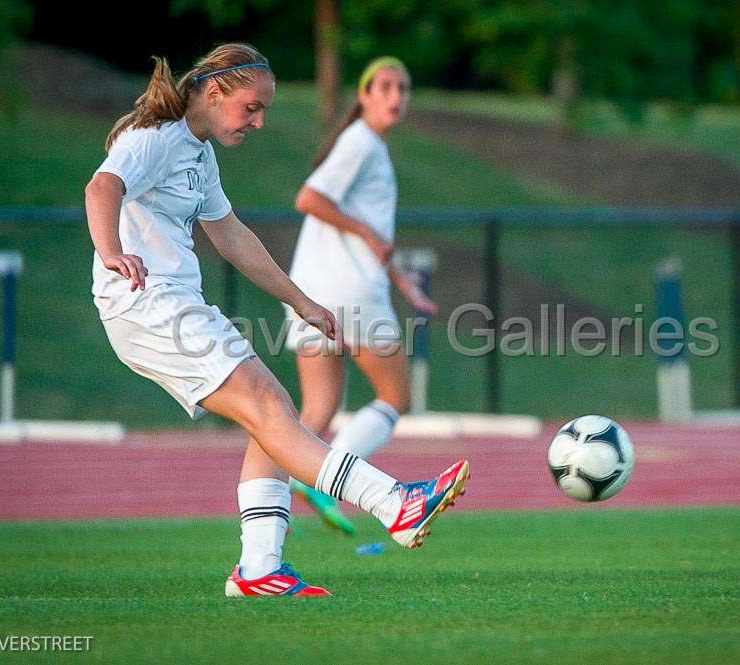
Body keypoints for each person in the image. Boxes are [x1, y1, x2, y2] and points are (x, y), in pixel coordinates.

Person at [84, 44, 468, 598]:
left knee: (274, 417)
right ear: (214, 93)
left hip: (172, 302)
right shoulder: (153, 136)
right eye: (252, 108)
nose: (259, 121)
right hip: (146, 304)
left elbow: (233, 238)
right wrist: (112, 250)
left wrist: (303, 301)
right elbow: (102, 187)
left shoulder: (198, 154)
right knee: (270, 409)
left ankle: (260, 569)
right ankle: (394, 503)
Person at [283, 57, 437, 535]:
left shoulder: (364, 144)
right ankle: (324, 480)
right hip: (350, 292)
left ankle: (271, 520)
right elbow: (308, 199)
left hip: (310, 291)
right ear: (364, 95)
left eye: (404, 88)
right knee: (396, 396)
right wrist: (371, 239)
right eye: (385, 86)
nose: (396, 96)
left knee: (315, 413)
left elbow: (363, 227)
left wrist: (397, 276)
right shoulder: (362, 142)